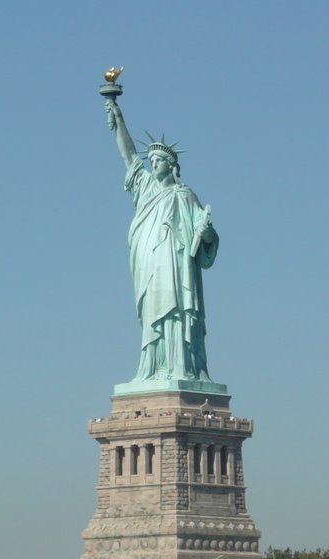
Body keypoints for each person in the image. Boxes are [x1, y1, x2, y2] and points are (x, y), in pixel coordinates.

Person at [106, 99, 219, 383]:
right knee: (153, 314)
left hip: (177, 268)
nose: (153, 164)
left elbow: (206, 238)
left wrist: (205, 232)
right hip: (150, 266)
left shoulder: (184, 195)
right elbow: (129, 156)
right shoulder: (144, 188)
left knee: (177, 315)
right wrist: (118, 118)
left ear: (171, 166)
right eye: (152, 160)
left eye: (159, 161)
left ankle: (181, 368)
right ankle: (153, 369)